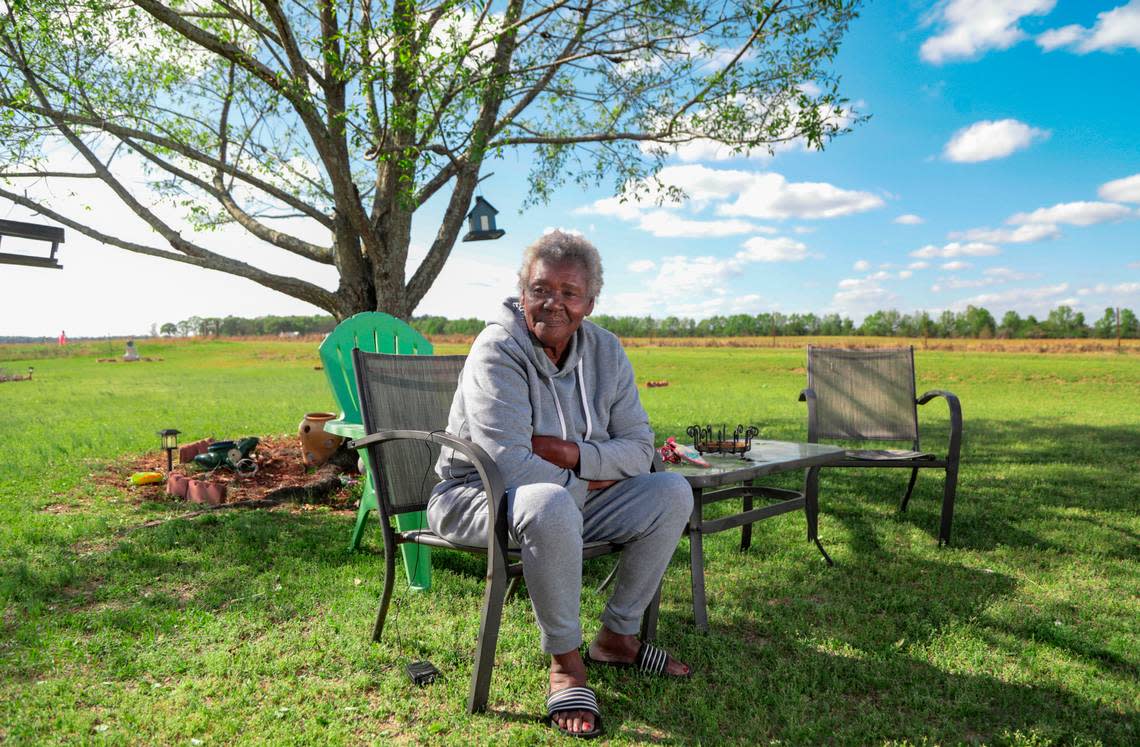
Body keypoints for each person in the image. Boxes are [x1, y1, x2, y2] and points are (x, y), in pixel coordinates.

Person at [427, 231, 692, 737]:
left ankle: (616, 637)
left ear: (589, 302)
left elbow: (639, 449)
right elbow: (506, 463)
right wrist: (593, 475)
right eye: (540, 289)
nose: (553, 303)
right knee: (548, 502)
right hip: (476, 497)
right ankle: (566, 663)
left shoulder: (607, 351)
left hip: (566, 494)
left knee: (671, 491)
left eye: (569, 293)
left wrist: (572, 455)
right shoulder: (497, 348)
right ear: (522, 292)